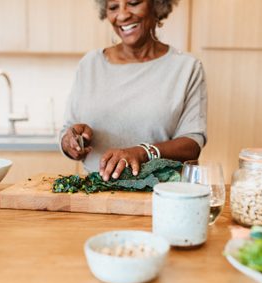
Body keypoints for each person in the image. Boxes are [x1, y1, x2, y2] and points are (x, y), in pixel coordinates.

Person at [60, 0, 207, 182]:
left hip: (161, 193)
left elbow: (192, 144)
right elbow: (68, 129)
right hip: (97, 192)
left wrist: (143, 152)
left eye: (133, 3)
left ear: (157, 5)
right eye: (113, 7)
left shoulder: (186, 68)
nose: (122, 15)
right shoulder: (90, 64)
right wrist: (71, 141)